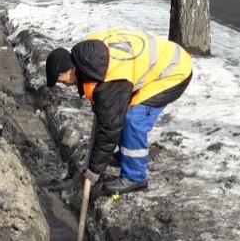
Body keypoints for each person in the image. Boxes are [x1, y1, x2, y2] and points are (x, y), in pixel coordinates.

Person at [46, 29, 193, 196]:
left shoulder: (109, 80)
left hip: (173, 71)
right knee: (119, 110)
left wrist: (94, 169)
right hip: (158, 62)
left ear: (69, 70)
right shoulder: (88, 54)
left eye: (61, 80)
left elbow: (110, 128)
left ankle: (135, 177)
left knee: (133, 119)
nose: (64, 85)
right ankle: (126, 155)